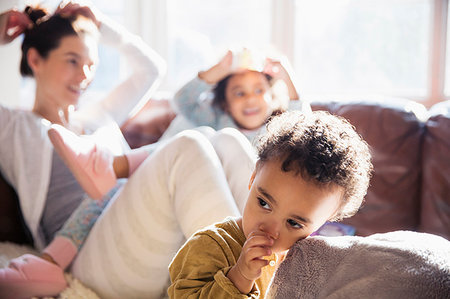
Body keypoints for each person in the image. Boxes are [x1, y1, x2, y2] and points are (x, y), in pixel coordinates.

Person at [0, 1, 167, 297]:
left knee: (216, 140)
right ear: (36, 60)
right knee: (192, 145)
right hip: (89, 251)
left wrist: (103, 26)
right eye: (72, 61)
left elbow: (151, 70)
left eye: (91, 65)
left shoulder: (97, 118)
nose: (84, 76)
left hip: (142, 219)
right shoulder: (14, 127)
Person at [168, 110, 373, 298]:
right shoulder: (209, 245)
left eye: (293, 223)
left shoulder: (304, 261)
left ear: (326, 221)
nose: (269, 230)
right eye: (264, 203)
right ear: (254, 176)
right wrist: (240, 277)